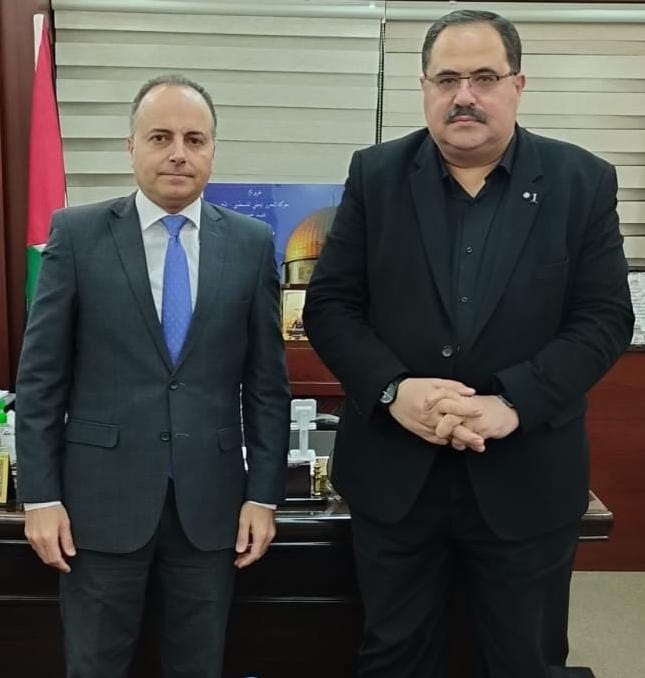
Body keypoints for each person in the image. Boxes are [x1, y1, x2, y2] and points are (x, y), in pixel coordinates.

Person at [303, 10, 634, 678]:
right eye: (447, 79)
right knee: (394, 657)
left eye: (484, 77)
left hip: (526, 473)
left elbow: (603, 319)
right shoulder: (375, 176)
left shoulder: (581, 181)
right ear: (424, 86)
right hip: (395, 475)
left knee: (523, 660)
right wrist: (394, 390)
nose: (464, 96)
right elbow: (330, 307)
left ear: (518, 85)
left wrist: (512, 402)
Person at [16, 74, 290, 678]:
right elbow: (40, 381)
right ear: (131, 146)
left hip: (212, 514)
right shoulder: (77, 235)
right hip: (96, 512)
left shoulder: (251, 244)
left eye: (195, 139)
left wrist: (263, 495)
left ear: (212, 149)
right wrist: (41, 497)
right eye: (160, 137)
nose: (178, 154)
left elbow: (267, 387)